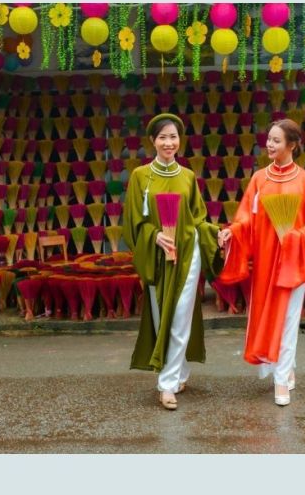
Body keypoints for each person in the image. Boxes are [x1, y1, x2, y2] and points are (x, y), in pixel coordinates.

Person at [218, 119, 305, 406]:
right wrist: (234, 230)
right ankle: (283, 367)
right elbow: (245, 217)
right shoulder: (259, 179)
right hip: (267, 260)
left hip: (293, 259)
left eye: (277, 140)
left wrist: (296, 237)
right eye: (268, 139)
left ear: (292, 145)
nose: (270, 144)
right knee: (268, 315)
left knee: (288, 319)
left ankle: (281, 380)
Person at [121, 113, 225, 411]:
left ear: (180, 140)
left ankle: (167, 385)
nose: (169, 142)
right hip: (156, 258)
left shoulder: (188, 177)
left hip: (186, 255)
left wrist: (217, 234)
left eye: (174, 136)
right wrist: (153, 235)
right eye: (163, 137)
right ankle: (177, 372)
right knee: (160, 317)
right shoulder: (141, 176)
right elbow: (132, 223)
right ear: (152, 141)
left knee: (180, 317)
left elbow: (199, 219)